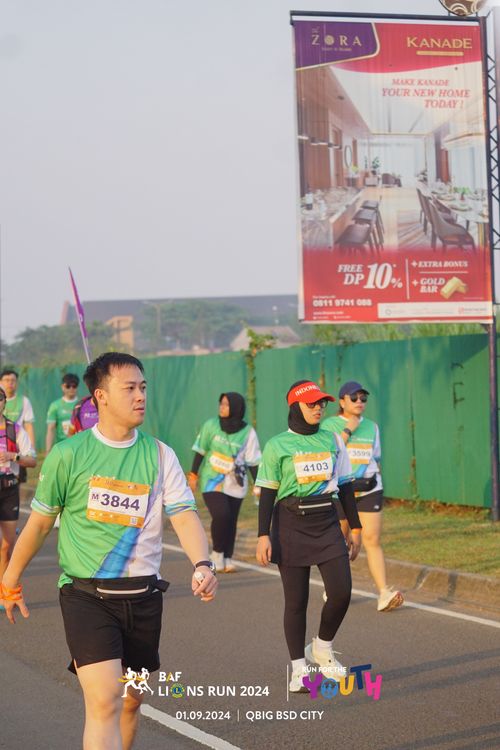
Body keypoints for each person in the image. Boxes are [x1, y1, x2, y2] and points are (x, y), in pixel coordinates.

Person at [1, 352, 217, 750]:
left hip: (144, 598)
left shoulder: (160, 454)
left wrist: (202, 563)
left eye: (143, 387)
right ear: (100, 396)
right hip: (87, 596)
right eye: (129, 388)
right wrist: (10, 579)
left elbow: (184, 515)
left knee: (131, 701)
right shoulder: (69, 454)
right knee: (105, 700)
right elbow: (40, 523)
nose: (141, 396)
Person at [255, 380, 362, 693]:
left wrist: (355, 527)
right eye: (311, 403)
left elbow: (345, 486)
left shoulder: (332, 439)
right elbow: (268, 493)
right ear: (295, 406)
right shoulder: (277, 445)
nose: (319, 408)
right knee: (296, 601)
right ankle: (299, 670)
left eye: (322, 403)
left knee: (341, 591)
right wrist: (263, 535)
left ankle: (322, 647)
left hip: (326, 522)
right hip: (289, 524)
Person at [322, 380, 403, 613]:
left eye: (363, 398)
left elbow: (375, 458)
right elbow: (330, 454)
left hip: (369, 488)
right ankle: (334, 587)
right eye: (354, 398)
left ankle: (384, 593)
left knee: (372, 539)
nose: (359, 402)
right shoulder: (329, 425)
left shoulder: (372, 427)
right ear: (342, 402)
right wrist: (348, 430)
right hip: (340, 490)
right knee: (340, 540)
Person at [187, 392, 261, 573]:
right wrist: (193, 475)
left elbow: (252, 461)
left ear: (236, 407)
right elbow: (200, 450)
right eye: (221, 403)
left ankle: (227, 557)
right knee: (222, 514)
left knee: (231, 520)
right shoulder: (211, 425)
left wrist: (258, 484)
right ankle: (217, 553)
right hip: (212, 481)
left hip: (236, 483)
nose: (222, 407)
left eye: (226, 405)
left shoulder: (248, 432)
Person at [0, 386, 37, 610]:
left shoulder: (15, 430)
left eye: (0, 398)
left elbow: (32, 460)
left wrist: (12, 456)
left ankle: (4, 591)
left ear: (5, 402)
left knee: (7, 545)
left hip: (8, 489)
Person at [0, 369, 36, 448]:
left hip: (17, 444)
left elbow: (28, 426)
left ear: (17, 383)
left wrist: (32, 448)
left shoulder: (24, 401)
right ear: (0, 382)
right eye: (7, 380)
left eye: (13, 380)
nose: (10, 383)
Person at [45, 373, 80, 452]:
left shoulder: (82, 405)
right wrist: (48, 450)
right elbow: (50, 429)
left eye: (74, 386)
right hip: (62, 447)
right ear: (62, 387)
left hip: (78, 447)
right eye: (68, 386)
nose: (71, 388)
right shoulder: (55, 406)